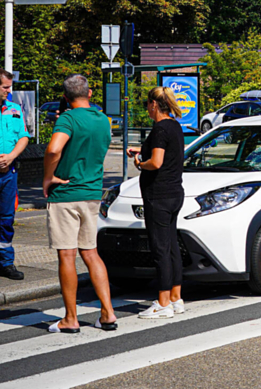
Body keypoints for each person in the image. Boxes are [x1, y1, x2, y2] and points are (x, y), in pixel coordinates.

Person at [43, 74, 117, 332]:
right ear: (90, 93)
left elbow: (54, 149)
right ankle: (108, 313)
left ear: (65, 98)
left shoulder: (67, 118)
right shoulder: (102, 120)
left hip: (67, 194)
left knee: (67, 254)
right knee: (90, 252)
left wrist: (48, 177)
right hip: (92, 192)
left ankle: (71, 319)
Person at [128, 87, 186, 319]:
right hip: (175, 192)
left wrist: (141, 164)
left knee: (160, 248)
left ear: (154, 104)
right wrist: (140, 150)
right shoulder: (174, 126)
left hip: (158, 194)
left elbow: (157, 161)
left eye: (148, 105)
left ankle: (162, 303)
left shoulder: (160, 128)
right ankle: (175, 297)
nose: (147, 110)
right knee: (171, 246)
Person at [0, 69, 30, 280]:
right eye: (5, 87)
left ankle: (5, 262)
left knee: (6, 218)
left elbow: (24, 137)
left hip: (8, 173)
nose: (9, 90)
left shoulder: (14, 109)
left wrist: (10, 157)